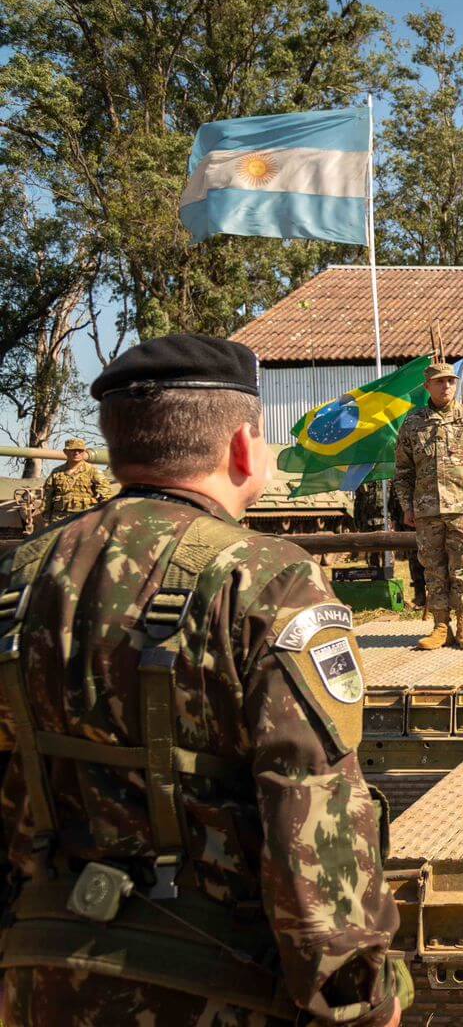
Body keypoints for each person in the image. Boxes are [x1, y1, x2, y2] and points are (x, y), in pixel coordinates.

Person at [0, 334, 410, 1026]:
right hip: (217, 985)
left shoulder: (22, 572)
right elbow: (310, 807)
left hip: (41, 972)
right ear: (244, 448)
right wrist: (359, 997)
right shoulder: (267, 576)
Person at [394, 360, 463, 650]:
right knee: (433, 569)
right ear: (427, 386)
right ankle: (441, 626)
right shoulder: (413, 423)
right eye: (440, 382)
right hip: (427, 511)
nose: (446, 386)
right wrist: (407, 506)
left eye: (451, 381)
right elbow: (403, 472)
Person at [38, 437, 113, 526]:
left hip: (84, 518)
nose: (76, 453)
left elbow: (105, 496)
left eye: (80, 450)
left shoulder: (93, 471)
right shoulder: (57, 472)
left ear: (84, 452)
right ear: (66, 452)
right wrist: (46, 518)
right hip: (59, 519)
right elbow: (47, 497)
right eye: (73, 450)